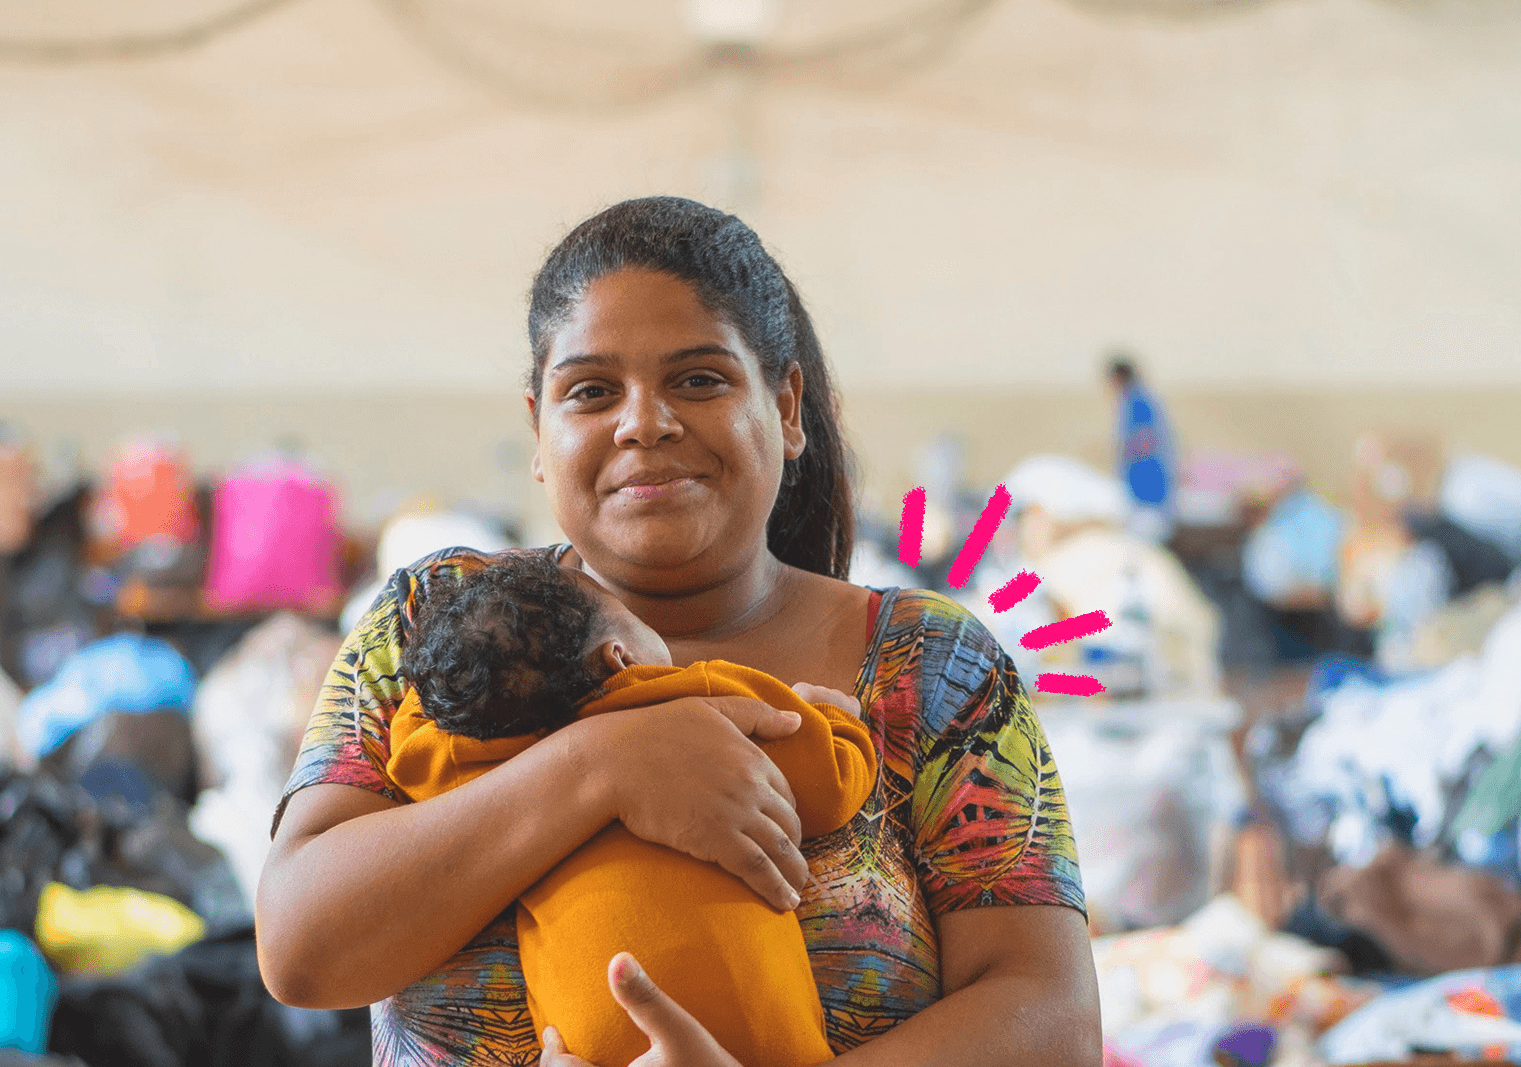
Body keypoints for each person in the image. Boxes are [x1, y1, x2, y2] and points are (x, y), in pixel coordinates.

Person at [258, 196, 1100, 1067]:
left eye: (699, 379)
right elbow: (302, 950)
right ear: (538, 434)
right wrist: (601, 767)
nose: (643, 423)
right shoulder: (440, 621)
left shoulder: (930, 670)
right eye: (591, 391)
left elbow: (1048, 1016)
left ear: (787, 407)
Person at [390, 550, 877, 1067]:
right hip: (761, 1035)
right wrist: (835, 718)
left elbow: (411, 748)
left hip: (591, 1041)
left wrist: (464, 671)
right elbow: (829, 788)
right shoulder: (692, 695)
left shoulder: (468, 756)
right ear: (621, 657)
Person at [1106, 354, 1177, 542]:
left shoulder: (1138, 401)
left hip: (1147, 492)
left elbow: (1146, 441)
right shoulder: (1136, 399)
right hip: (1143, 492)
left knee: (1142, 541)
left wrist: (1120, 449)